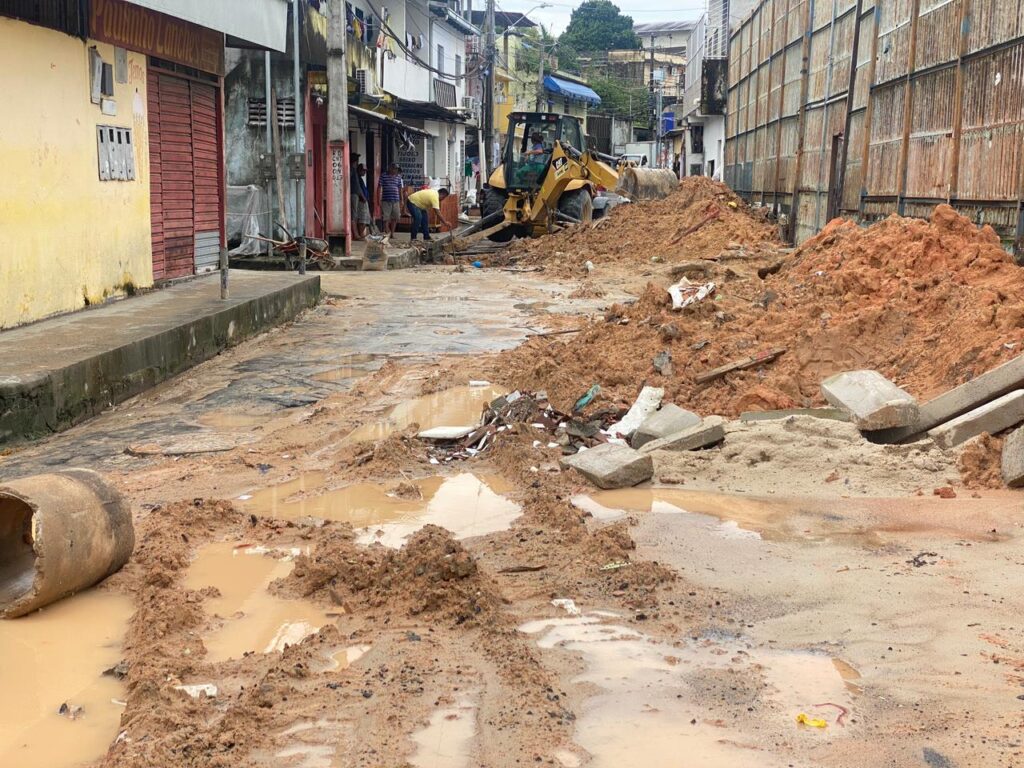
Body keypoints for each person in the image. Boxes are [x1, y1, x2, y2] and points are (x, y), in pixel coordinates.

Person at [377, 163, 404, 237]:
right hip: (386, 199)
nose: (395, 170)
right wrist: (378, 198)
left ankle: (392, 233)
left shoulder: (398, 177)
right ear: (390, 168)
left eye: (396, 169)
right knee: (386, 217)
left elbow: (400, 189)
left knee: (395, 217)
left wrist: (401, 199)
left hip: (396, 200)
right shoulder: (383, 176)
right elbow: (379, 187)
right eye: (394, 169)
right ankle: (387, 232)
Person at [349, 153, 369, 240]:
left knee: (355, 214)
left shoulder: (353, 171)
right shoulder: (352, 170)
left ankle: (357, 234)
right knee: (354, 215)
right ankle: (356, 234)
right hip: (354, 194)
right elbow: (357, 186)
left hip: (355, 194)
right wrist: (362, 196)